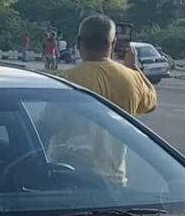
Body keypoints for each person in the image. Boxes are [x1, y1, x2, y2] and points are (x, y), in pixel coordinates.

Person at [44, 15, 158, 187]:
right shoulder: (132, 78)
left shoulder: (67, 80)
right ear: (112, 44)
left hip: (70, 181)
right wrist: (134, 68)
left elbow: (45, 127)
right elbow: (151, 103)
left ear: (79, 43)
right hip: (114, 184)